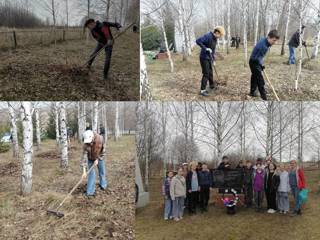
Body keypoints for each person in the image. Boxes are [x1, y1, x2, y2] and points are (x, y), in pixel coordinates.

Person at [248, 29, 280, 100]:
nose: (275, 42)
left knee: (254, 77)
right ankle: (264, 96)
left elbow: (260, 57)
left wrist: (261, 63)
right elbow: (257, 58)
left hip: (255, 60)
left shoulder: (266, 41)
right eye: (274, 40)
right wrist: (260, 64)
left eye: (276, 40)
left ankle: (252, 92)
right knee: (260, 79)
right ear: (269, 37)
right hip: (254, 62)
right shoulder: (263, 46)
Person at [196, 26, 225, 96]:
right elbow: (198, 41)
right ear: (217, 32)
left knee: (210, 72)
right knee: (206, 74)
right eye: (220, 35)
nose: (220, 37)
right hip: (204, 58)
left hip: (209, 57)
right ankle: (202, 91)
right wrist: (205, 48)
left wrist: (213, 60)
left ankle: (211, 85)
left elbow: (213, 50)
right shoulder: (208, 36)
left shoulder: (215, 39)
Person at [80, 130, 107, 198]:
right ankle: (90, 192)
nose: (90, 144)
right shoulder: (85, 144)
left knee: (102, 171)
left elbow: (103, 152)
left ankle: (103, 185)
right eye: (88, 143)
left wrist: (97, 159)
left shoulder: (100, 139)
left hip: (100, 157)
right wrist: (84, 171)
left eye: (90, 142)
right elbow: (84, 158)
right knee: (91, 174)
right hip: (90, 158)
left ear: (92, 138)